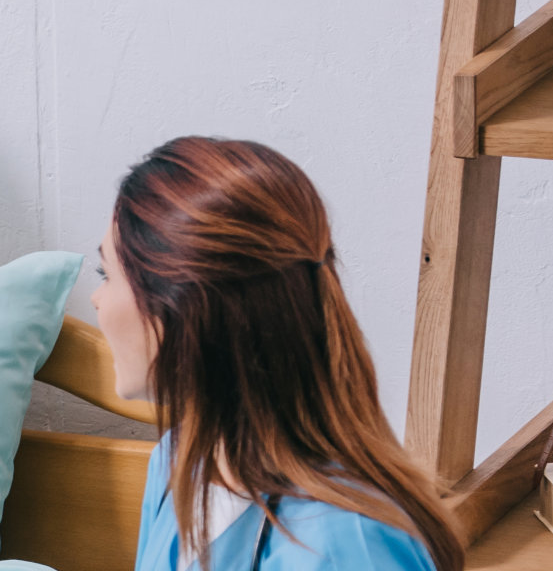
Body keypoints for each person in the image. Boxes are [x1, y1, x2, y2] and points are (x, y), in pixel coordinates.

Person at [90, 137, 464, 570]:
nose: (97, 299)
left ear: (183, 307)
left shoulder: (350, 546)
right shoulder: (179, 461)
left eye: (108, 274)